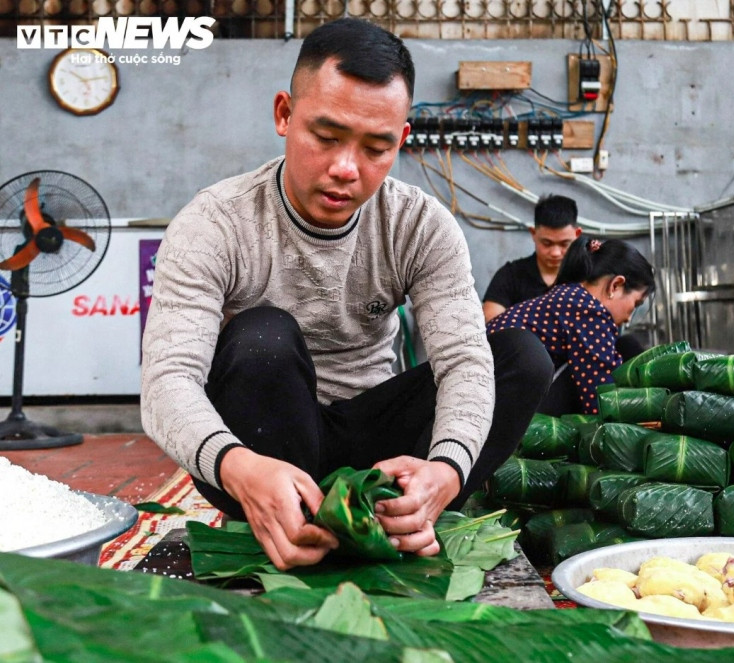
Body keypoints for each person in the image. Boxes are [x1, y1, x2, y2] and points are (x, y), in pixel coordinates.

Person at [140, 18, 551, 571]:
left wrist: (447, 472)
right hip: (263, 451)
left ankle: (409, 512)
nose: (345, 169)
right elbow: (168, 381)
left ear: (401, 141)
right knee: (262, 334)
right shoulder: (216, 223)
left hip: (374, 449)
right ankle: (289, 518)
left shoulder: (421, 226)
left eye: (376, 148)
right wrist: (238, 466)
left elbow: (463, 363)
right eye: (327, 137)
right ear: (284, 114)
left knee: (520, 357)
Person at [486, 236, 655, 416]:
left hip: (493, 395)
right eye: (635, 304)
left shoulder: (570, 296)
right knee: (621, 354)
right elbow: (601, 398)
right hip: (500, 407)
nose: (629, 318)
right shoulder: (590, 312)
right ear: (615, 285)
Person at [482, 194, 580, 323]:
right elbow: (491, 321)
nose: (555, 253)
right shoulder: (510, 275)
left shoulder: (589, 276)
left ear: (577, 234)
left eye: (564, 244)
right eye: (547, 243)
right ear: (533, 234)